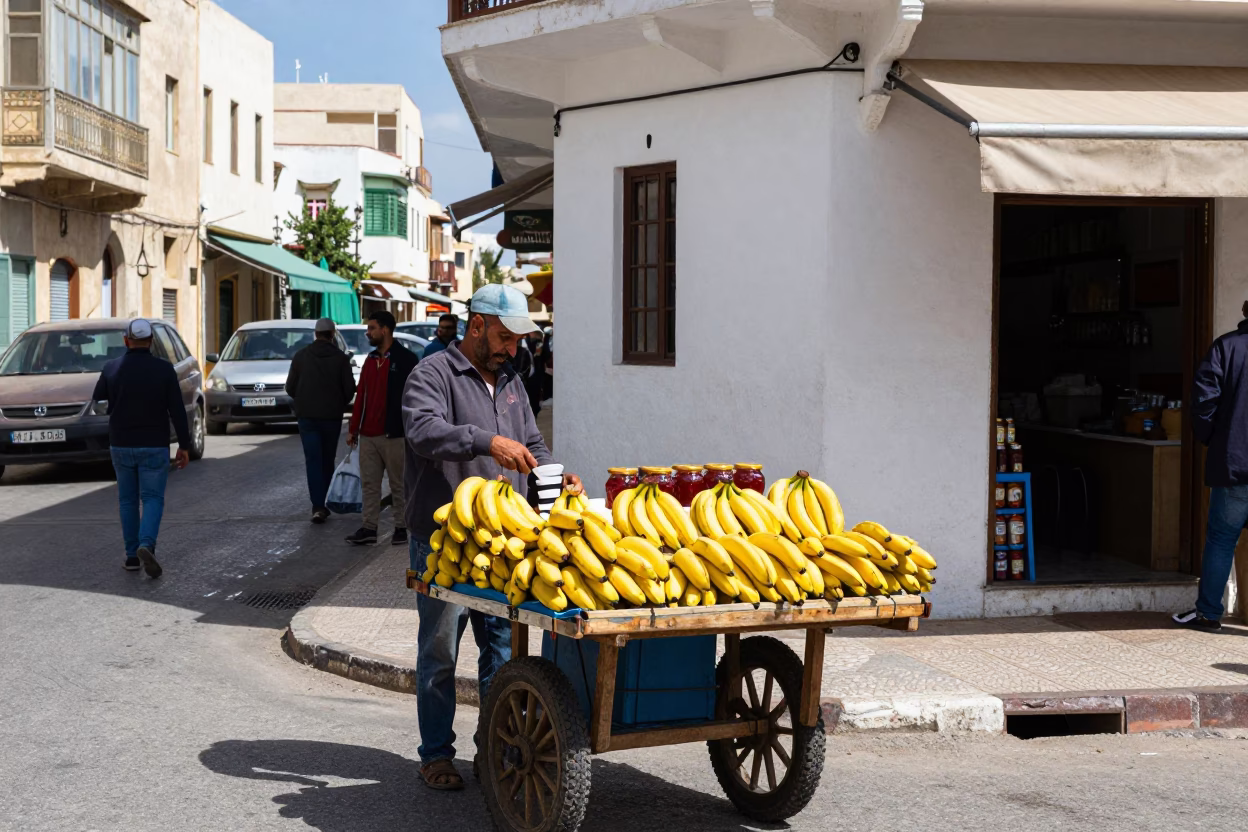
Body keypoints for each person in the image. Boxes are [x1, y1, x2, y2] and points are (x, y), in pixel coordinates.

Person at [403, 283, 582, 791]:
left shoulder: (512, 382)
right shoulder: (432, 373)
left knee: (500, 649)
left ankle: (496, 749)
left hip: (504, 540)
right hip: (444, 538)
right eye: (504, 337)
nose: (512, 348)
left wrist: (555, 473)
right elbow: (423, 431)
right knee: (439, 650)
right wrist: (485, 441)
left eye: (517, 340)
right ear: (476, 326)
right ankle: (436, 753)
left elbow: (532, 443)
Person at [92, 318, 192, 578]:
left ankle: (131, 556)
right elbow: (177, 410)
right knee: (152, 499)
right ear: (150, 342)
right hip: (154, 444)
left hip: (121, 444)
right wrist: (184, 445)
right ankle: (146, 544)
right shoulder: (164, 369)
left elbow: (99, 405)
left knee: (127, 500)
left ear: (126, 340)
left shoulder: (111, 368)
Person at [1175, 300, 1248, 631]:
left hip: (1235, 463)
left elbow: (1203, 403)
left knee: (1221, 538)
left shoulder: (1227, 347)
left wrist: (1215, 442)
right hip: (1234, 460)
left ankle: (1208, 614)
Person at [345, 311, 420, 546]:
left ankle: (401, 528)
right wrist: (353, 429)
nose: (368, 332)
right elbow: (361, 397)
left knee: (399, 483)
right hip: (368, 435)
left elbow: (417, 398)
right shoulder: (369, 360)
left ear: (385, 330)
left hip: (394, 434)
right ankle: (369, 527)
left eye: (372, 328)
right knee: (369, 484)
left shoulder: (406, 359)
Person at [286, 318, 356, 524]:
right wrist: (337, 403)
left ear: (316, 334)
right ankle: (325, 501)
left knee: (313, 460)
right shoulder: (341, 358)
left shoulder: (300, 357)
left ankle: (318, 506)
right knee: (327, 459)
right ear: (332, 334)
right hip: (331, 417)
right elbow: (349, 389)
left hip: (307, 417)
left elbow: (290, 387)